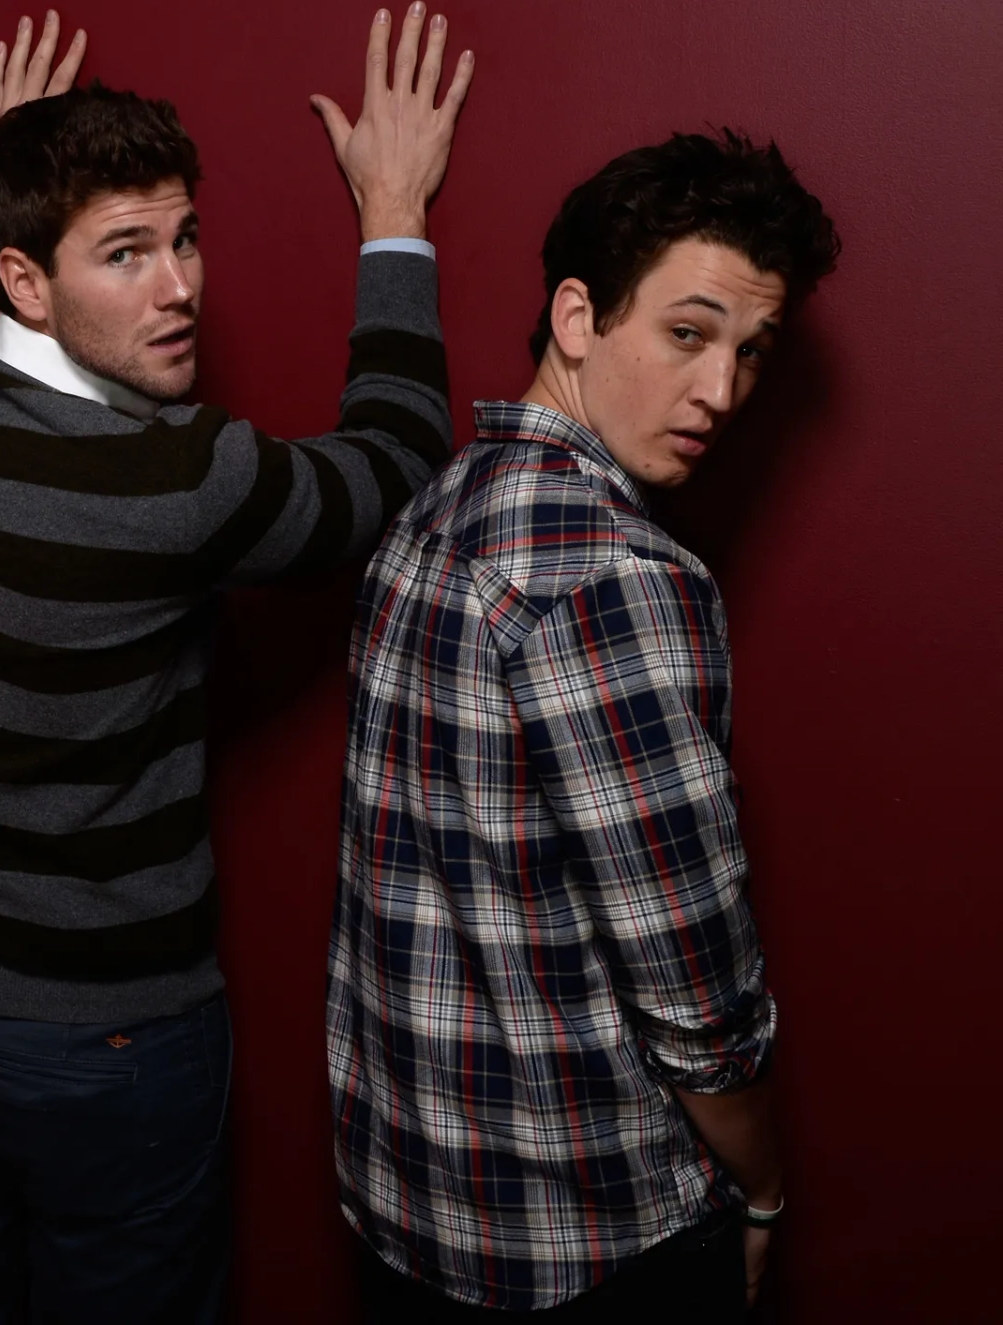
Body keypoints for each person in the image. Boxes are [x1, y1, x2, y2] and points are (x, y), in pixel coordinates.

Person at [0, 4, 472, 1323]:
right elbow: (395, 462)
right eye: (125, 253)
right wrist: (394, 211)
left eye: (185, 237)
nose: (181, 285)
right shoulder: (188, 475)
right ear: (27, 282)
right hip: (109, 1041)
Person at [329, 130, 839, 1319]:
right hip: (586, 1236)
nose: (721, 390)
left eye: (750, 350)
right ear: (576, 316)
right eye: (687, 332)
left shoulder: (435, 511)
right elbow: (694, 992)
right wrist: (762, 1185)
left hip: (405, 1202)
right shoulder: (618, 577)